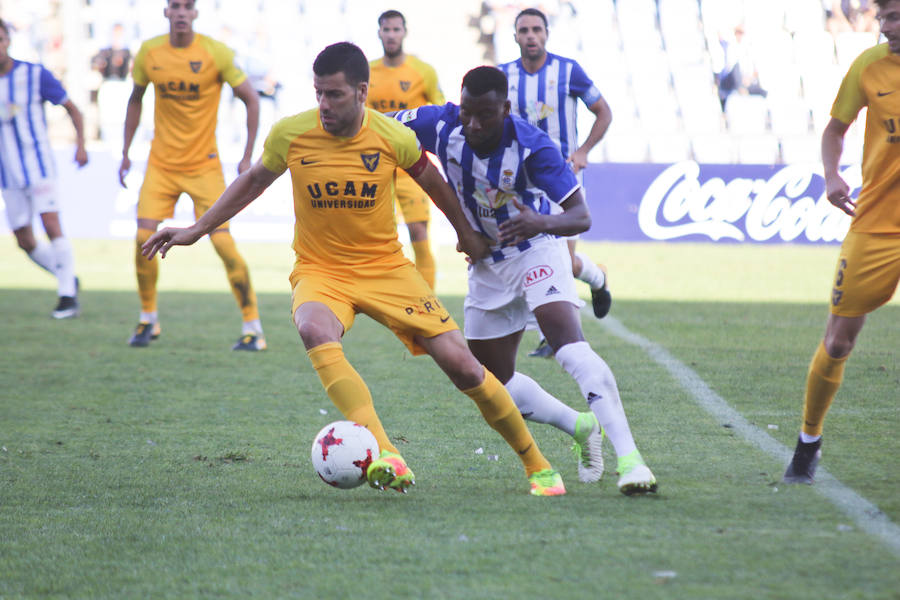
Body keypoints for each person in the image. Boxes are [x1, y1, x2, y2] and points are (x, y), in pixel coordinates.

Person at [141, 42, 567, 497]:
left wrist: (466, 233)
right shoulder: (291, 134)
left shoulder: (391, 136)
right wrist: (198, 228)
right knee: (312, 327)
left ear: (362, 92)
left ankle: (536, 464)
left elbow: (435, 183)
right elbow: (253, 182)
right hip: (321, 269)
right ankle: (386, 452)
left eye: (335, 95)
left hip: (386, 268)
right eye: (319, 93)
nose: (324, 105)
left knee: (463, 366)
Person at [393, 66, 657, 494]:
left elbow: (580, 216)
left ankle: (632, 462)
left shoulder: (534, 147)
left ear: (505, 109)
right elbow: (377, 128)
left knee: (570, 349)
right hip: (486, 266)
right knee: (487, 380)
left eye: (485, 115)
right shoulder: (439, 123)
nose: (473, 125)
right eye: (467, 113)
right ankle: (580, 426)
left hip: (536, 252)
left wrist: (540, 222)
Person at [783, 0, 900, 484]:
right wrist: (831, 176)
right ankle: (809, 442)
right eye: (884, 17)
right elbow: (836, 129)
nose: (888, 25)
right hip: (877, 223)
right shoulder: (869, 66)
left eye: (895, 14)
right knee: (837, 341)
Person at [119, 0, 265, 350]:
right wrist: (125, 152)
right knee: (143, 238)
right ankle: (147, 320)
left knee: (224, 244)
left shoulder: (216, 53)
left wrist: (247, 155)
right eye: (175, 6)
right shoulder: (150, 51)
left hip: (204, 167)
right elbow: (135, 99)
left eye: (187, 6)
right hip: (161, 165)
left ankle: (253, 328)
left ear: (196, 13)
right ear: (166, 12)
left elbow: (252, 100)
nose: (181, 12)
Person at [498, 8, 613, 358]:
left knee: (562, 259)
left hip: (561, 179)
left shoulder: (568, 71)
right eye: (524, 30)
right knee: (532, 258)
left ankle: (584, 294)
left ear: (546, 34)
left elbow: (603, 111)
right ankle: (594, 280)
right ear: (515, 36)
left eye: (536, 29)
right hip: (518, 184)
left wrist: (583, 151)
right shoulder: (503, 76)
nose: (531, 35)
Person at [0, 18, 88, 319]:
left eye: (0, 39)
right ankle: (68, 278)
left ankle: (67, 298)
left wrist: (81, 144)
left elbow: (72, 107)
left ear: (8, 41)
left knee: (51, 225)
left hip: (39, 167)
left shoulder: (34, 74)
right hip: (8, 175)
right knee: (24, 240)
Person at [367, 10, 444, 289]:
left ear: (404, 32)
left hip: (413, 165)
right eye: (386, 29)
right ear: (379, 32)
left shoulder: (423, 72)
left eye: (396, 29)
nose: (391, 35)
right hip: (376, 166)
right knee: (375, 237)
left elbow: (439, 115)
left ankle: (430, 306)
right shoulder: (366, 70)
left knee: (418, 232)